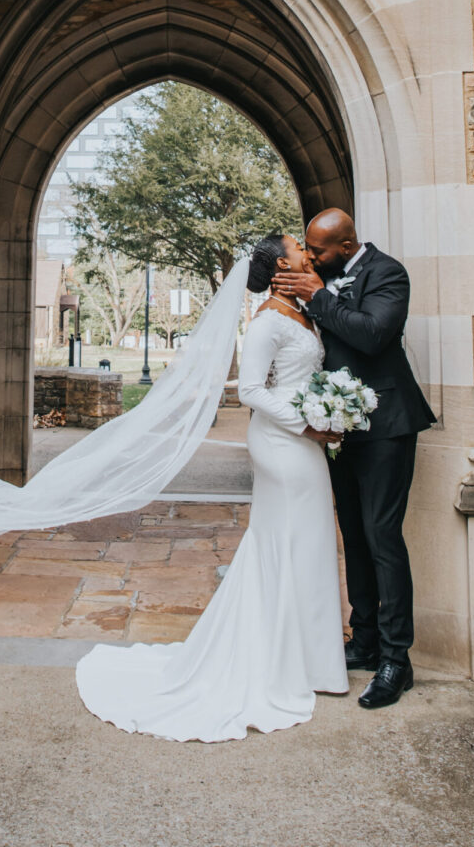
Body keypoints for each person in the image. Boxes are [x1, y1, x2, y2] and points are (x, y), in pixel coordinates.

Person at [75, 232, 348, 741]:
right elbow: (250, 390)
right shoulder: (267, 321)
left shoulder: (305, 312)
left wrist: (330, 409)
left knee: (306, 546)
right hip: (283, 444)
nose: (308, 254)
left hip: (305, 443)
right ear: (280, 268)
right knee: (288, 542)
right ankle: (281, 663)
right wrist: (306, 423)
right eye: (298, 249)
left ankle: (312, 662)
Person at [272, 209, 435, 710]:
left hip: (387, 426)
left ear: (346, 246)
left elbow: (371, 334)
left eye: (318, 250)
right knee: (354, 536)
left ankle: (396, 658)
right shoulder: (325, 276)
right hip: (340, 428)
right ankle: (362, 638)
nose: (311, 256)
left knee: (383, 536)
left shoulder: (388, 273)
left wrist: (316, 295)